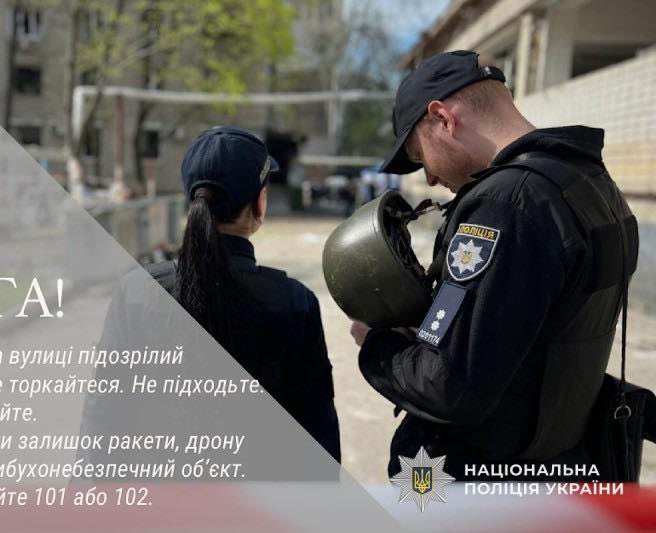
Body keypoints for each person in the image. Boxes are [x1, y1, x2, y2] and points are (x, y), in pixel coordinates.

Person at [350, 51, 638, 480]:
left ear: (443, 119)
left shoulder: (506, 204)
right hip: (555, 462)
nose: (429, 178)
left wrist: (377, 343)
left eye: (420, 155)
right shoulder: (592, 183)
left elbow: (451, 387)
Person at [157, 126, 341, 462]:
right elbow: (318, 437)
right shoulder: (295, 303)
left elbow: (104, 423)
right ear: (260, 202)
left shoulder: (138, 291)